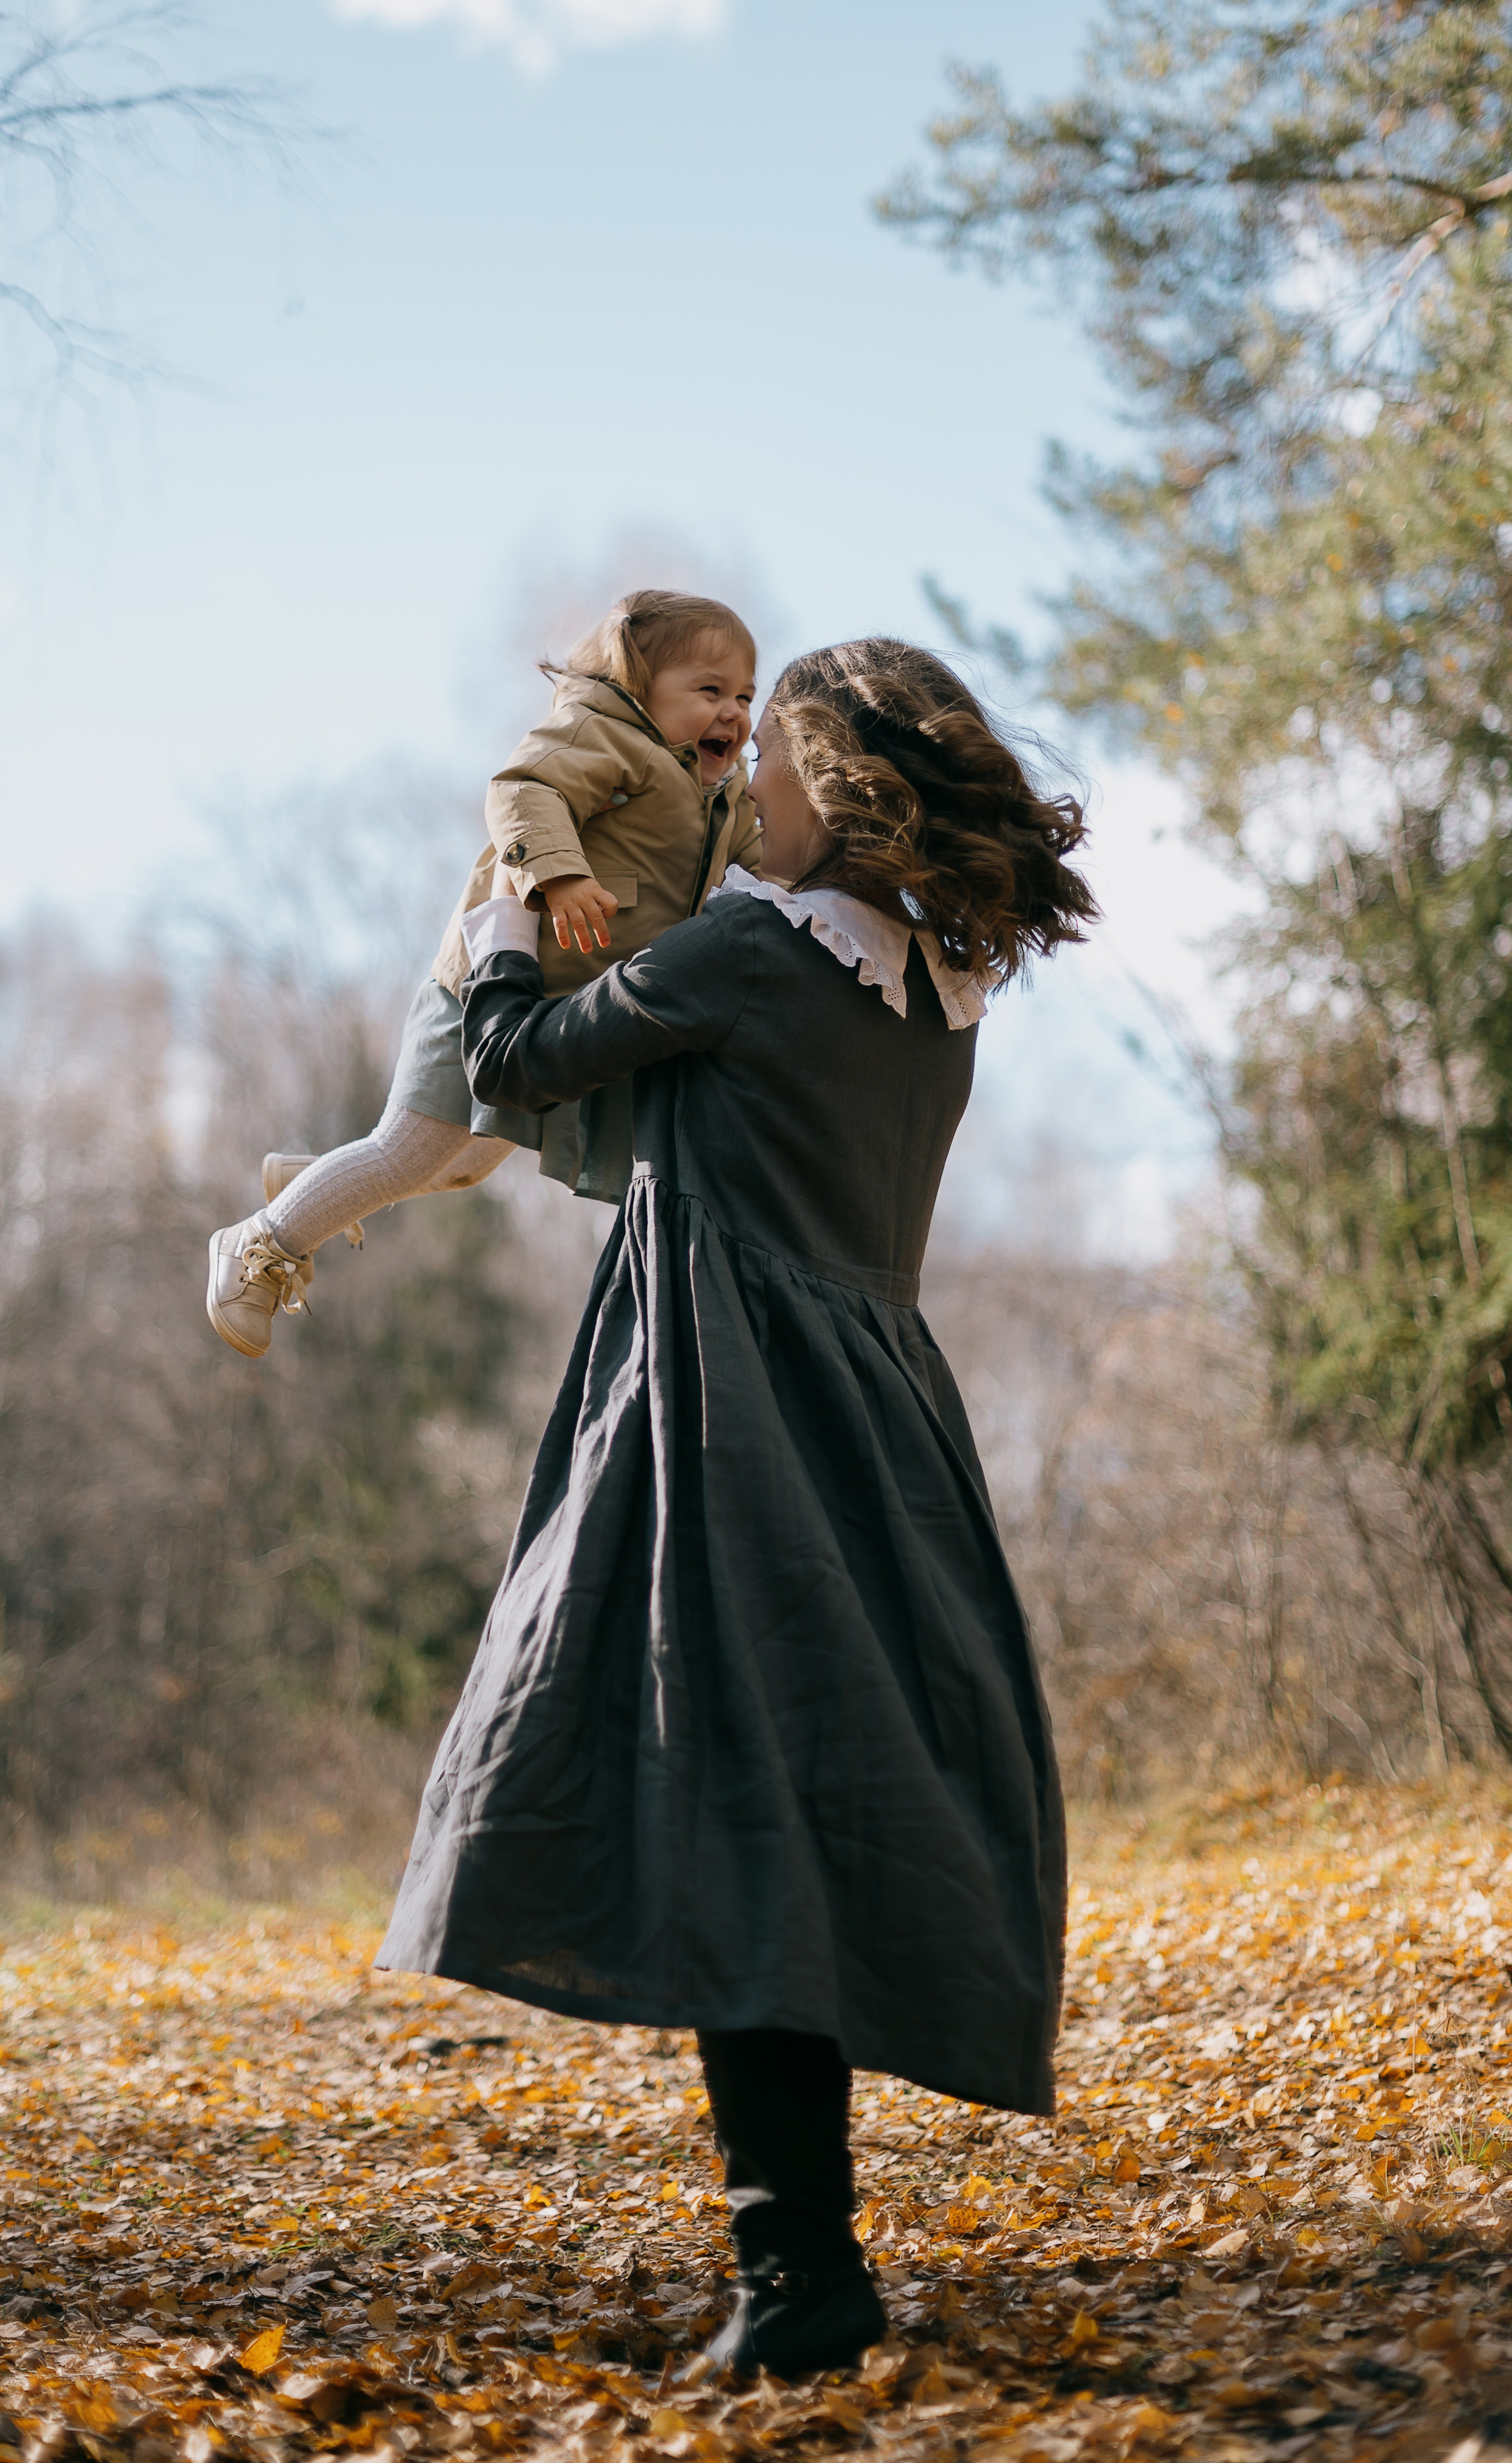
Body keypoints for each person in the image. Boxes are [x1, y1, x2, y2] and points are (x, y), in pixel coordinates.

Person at [375, 638, 1098, 2377]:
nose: (737, 787)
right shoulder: (935, 987)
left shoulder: (759, 950)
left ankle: (800, 2272)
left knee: (727, 1803)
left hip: (726, 1402)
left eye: (761, 759)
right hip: (883, 1414)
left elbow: (518, 1064)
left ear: (832, 782)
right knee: (794, 1813)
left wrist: (497, 905)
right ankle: (802, 2258)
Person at [205, 589, 760, 1357]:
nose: (733, 713)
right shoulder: (608, 736)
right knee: (412, 1154)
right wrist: (558, 876)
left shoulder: (724, 801)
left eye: (744, 696)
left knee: (462, 1165)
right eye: (709, 691)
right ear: (639, 688)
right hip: (484, 991)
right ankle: (257, 1242)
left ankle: (322, 1186)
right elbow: (524, 792)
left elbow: (769, 880)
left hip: (551, 1016)